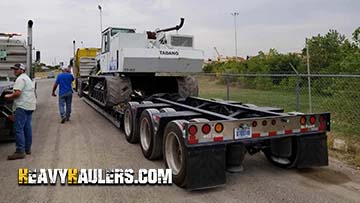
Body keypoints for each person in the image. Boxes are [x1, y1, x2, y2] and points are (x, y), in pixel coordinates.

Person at [4, 63, 36, 160]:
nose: (14, 71)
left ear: (22, 70)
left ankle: (20, 151)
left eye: (16, 69)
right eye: (14, 69)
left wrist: (7, 96)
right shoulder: (27, 78)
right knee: (27, 128)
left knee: (18, 129)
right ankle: (27, 148)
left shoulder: (20, 79)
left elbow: (17, 93)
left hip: (22, 106)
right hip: (29, 106)